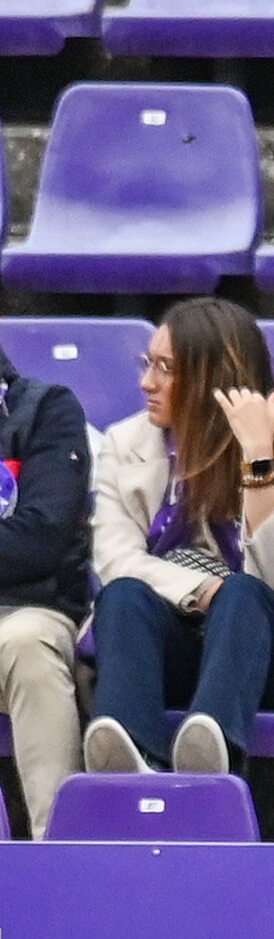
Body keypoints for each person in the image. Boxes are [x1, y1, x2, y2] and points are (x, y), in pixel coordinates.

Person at [86, 301, 274, 777]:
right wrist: (209, 592)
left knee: (244, 594)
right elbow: (116, 561)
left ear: (213, 377)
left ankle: (212, 752)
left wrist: (258, 459)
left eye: (166, 369)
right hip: (181, 639)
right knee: (122, 596)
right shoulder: (124, 443)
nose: (147, 383)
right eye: (148, 364)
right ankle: (130, 759)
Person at [0, 340, 90, 838]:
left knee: (27, 645)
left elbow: (39, 539)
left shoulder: (45, 409)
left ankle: (55, 853)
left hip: (23, 612)